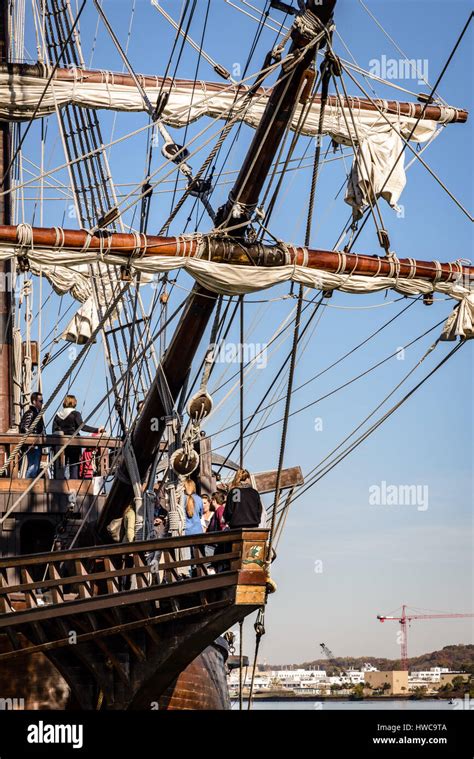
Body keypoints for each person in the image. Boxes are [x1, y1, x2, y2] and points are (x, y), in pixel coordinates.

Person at [52, 395, 104, 479]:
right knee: (74, 465)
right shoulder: (75, 414)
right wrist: (97, 430)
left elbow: (54, 430)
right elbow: (82, 427)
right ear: (74, 403)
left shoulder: (58, 415)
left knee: (61, 466)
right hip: (74, 444)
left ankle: (59, 484)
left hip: (60, 445)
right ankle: (74, 484)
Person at [19, 391, 45, 478]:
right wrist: (31, 441)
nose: (42, 403)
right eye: (40, 401)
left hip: (37, 444)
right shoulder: (30, 413)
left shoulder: (38, 414)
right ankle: (28, 486)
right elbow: (24, 427)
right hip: (32, 444)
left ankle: (30, 486)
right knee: (33, 467)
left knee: (35, 467)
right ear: (34, 401)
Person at [182, 479, 203, 577]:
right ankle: (199, 575)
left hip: (185, 533)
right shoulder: (199, 499)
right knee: (198, 557)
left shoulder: (181, 499)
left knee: (187, 558)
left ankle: (188, 576)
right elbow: (200, 515)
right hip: (198, 532)